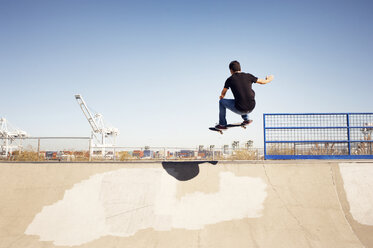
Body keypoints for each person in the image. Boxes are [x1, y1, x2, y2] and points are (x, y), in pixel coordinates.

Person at [215, 60, 274, 129]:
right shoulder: (249, 76)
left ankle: (222, 124)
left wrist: (222, 96)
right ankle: (246, 119)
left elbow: (224, 92)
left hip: (240, 109)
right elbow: (263, 82)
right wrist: (269, 79)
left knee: (221, 102)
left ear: (231, 70)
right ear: (240, 69)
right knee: (242, 97)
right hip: (252, 106)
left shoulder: (230, 79)